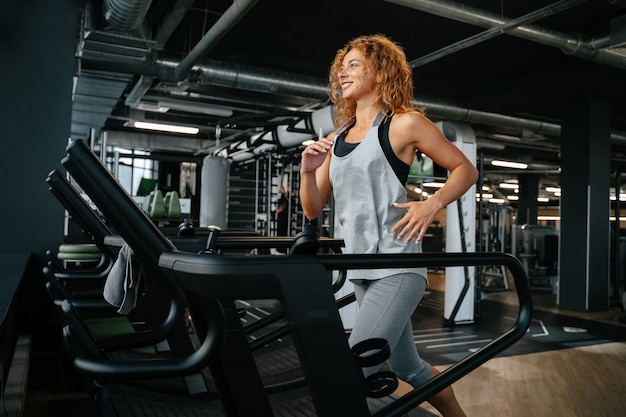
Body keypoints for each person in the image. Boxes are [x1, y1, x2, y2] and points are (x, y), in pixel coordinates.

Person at [299, 34, 477, 416]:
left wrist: (433, 203)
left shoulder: (404, 124)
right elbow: (313, 209)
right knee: (407, 367)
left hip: (397, 269)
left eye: (354, 65)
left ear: (380, 74)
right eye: (341, 67)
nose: (343, 73)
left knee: (351, 371)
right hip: (361, 270)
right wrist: (307, 171)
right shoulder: (338, 137)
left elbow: (466, 169)